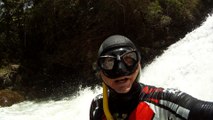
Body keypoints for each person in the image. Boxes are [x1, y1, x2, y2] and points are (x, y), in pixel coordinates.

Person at [89, 35, 213, 120]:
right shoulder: (97, 105)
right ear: (100, 72)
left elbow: (200, 109)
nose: (120, 70)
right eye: (109, 63)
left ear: (138, 64)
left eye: (128, 59)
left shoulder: (163, 100)